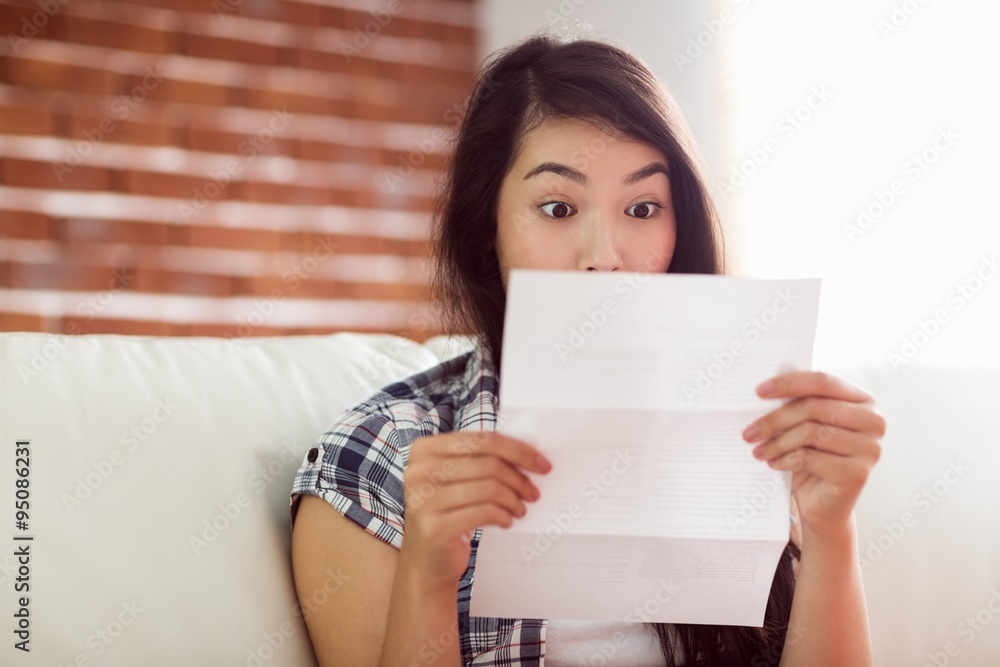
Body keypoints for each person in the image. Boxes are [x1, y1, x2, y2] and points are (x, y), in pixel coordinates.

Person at [289, 32, 885, 667]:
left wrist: (830, 531)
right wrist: (428, 577)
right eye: (557, 207)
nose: (605, 258)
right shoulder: (373, 463)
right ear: (485, 227)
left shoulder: (745, 435)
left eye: (643, 207)